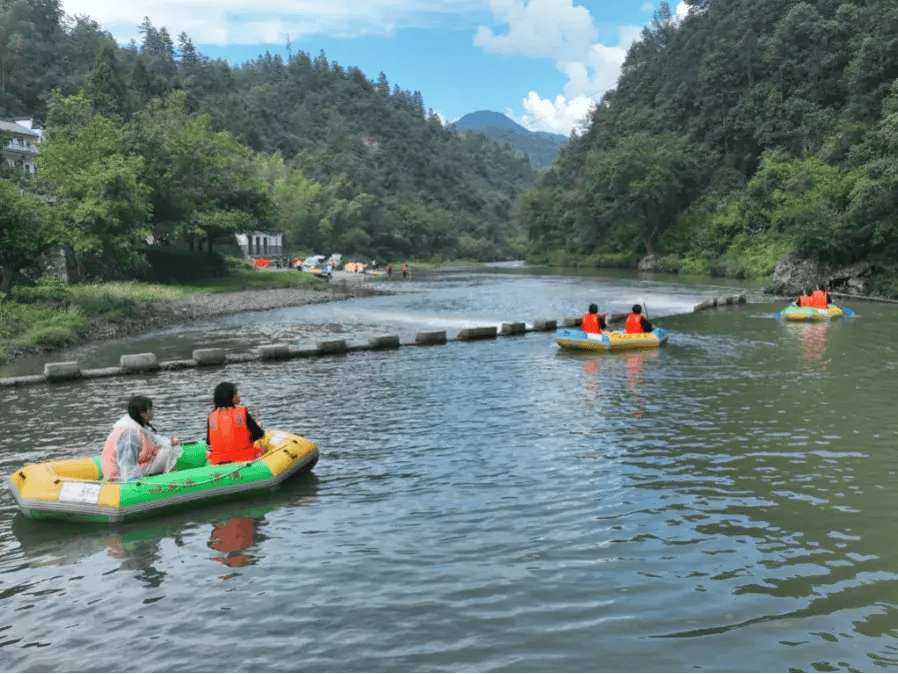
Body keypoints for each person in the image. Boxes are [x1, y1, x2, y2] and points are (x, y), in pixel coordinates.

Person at [101, 396, 182, 482]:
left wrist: (169, 442)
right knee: (167, 454)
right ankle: (175, 481)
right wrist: (133, 480)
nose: (153, 412)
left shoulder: (136, 424)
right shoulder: (130, 435)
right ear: (142, 414)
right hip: (118, 475)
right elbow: (127, 462)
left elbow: (154, 439)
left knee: (165, 450)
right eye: (151, 410)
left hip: (126, 466)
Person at [207, 382, 265, 465]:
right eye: (236, 393)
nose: (238, 395)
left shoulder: (212, 416)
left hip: (219, 462)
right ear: (231, 397)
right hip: (244, 459)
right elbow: (259, 434)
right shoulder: (242, 413)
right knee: (263, 449)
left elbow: (209, 442)